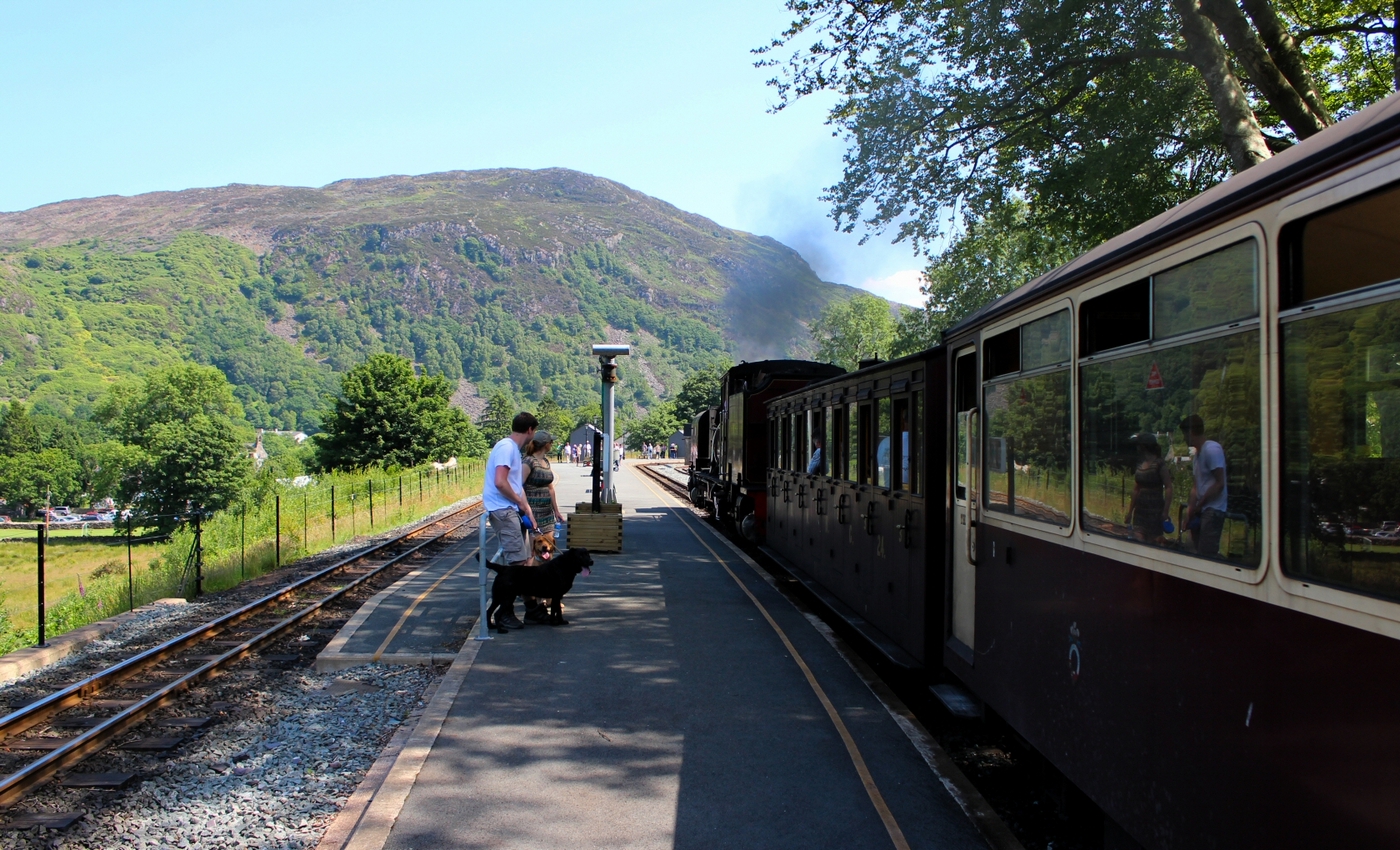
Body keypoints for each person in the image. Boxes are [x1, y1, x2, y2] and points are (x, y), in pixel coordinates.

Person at [483, 411, 538, 629]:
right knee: (516, 566)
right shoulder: (507, 448)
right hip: (503, 509)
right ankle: (505, 613)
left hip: (511, 509)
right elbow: (500, 482)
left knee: (523, 562)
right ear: (530, 430)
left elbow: (515, 485)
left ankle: (531, 609)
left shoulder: (511, 449)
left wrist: (527, 510)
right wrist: (518, 503)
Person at [521, 429, 562, 624]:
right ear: (545, 444)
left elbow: (551, 488)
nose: (552, 445)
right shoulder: (528, 462)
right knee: (533, 556)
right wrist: (527, 511)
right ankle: (532, 599)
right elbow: (519, 485)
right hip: (532, 512)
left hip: (547, 513)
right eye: (550, 442)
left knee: (549, 554)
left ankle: (549, 597)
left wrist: (557, 511)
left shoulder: (546, 462)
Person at [1181, 414, 1227, 557]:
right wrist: (1190, 509)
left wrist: (1201, 504)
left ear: (1190, 433)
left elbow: (1219, 483)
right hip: (1201, 508)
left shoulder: (1211, 449)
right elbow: (1196, 486)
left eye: (1184, 434)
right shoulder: (1198, 456)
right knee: (1192, 548)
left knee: (1206, 553)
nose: (1183, 438)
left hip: (1213, 509)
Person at [1124, 432, 1173, 546]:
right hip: (1140, 511)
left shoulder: (1159, 464)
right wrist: (1130, 512)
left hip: (1155, 512)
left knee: (1152, 543)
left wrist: (1165, 511)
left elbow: (1169, 487)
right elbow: (1136, 489)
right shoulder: (1140, 464)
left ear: (1144, 446)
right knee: (1138, 541)